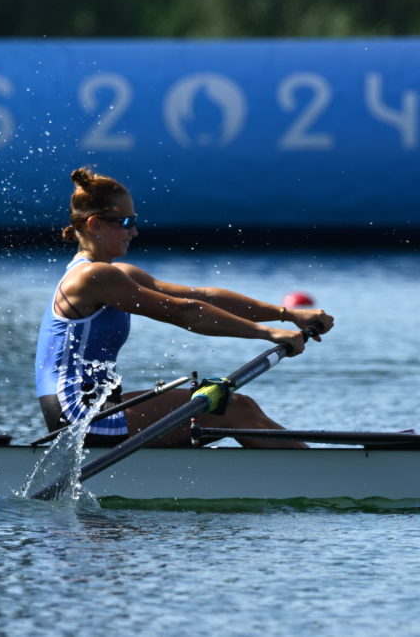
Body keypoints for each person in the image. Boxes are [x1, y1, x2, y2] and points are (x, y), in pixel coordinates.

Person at [34, 167, 334, 448]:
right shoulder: (92, 277)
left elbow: (203, 296)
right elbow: (184, 312)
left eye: (134, 221)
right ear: (94, 224)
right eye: (125, 222)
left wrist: (287, 314)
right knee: (234, 410)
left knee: (236, 405)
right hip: (79, 413)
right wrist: (268, 333)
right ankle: (327, 480)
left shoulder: (119, 274)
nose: (134, 231)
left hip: (97, 405)